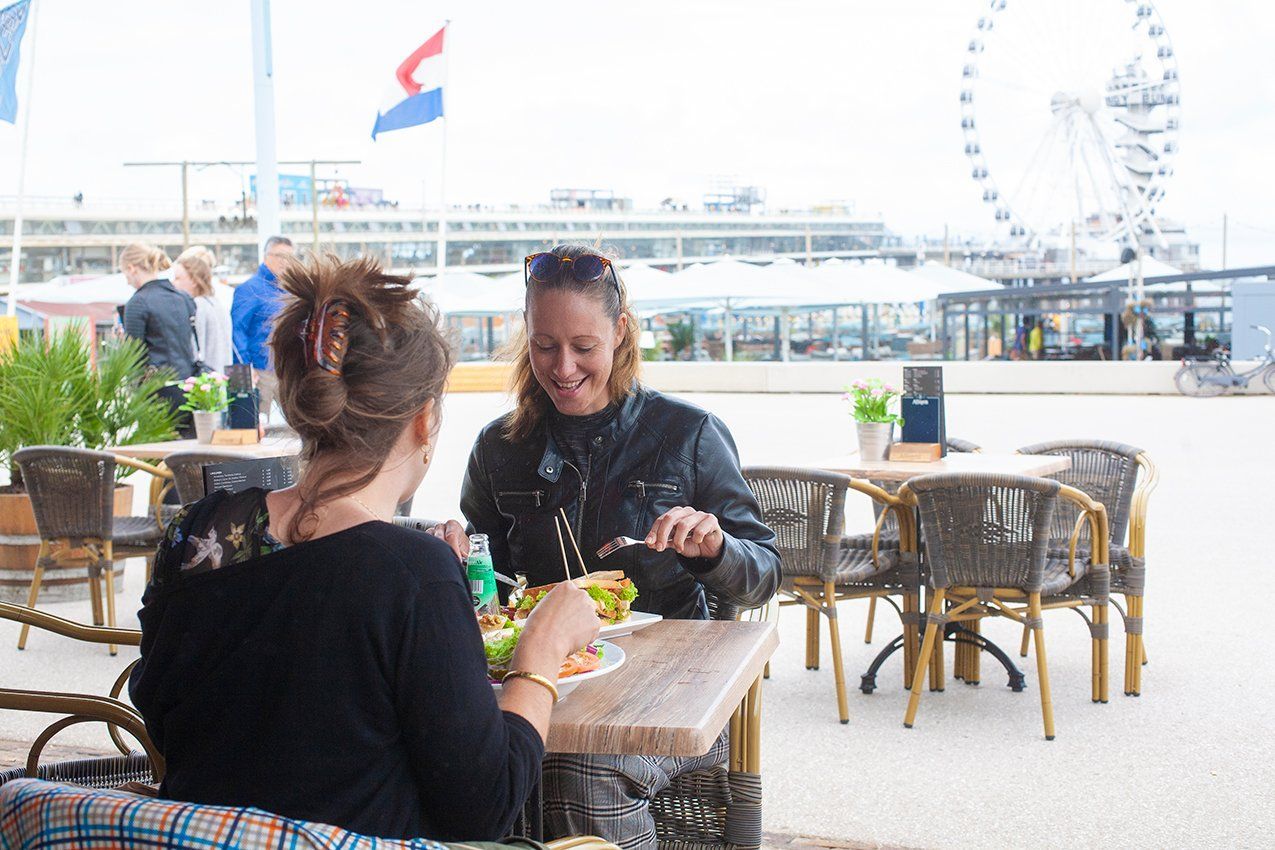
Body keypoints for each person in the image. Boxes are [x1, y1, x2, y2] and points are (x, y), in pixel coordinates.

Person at [130, 256, 601, 841]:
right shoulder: (414, 577)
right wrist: (540, 654)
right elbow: (486, 805)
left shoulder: (196, 533)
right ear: (424, 421)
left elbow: (160, 700)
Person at [459, 244, 780, 850]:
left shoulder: (688, 435)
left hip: (671, 697)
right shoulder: (498, 448)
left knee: (578, 776)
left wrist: (713, 549)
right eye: (544, 345)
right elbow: (485, 588)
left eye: (584, 347)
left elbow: (764, 574)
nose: (562, 368)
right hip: (544, 684)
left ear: (621, 332)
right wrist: (454, 563)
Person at [120, 242, 197, 438]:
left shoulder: (137, 303)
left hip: (156, 392)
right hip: (189, 387)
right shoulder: (183, 298)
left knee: (158, 459)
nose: (127, 280)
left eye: (125, 273)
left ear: (132, 268)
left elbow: (134, 356)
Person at [231, 235, 295, 423]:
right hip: (256, 371)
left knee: (296, 426)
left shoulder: (287, 291)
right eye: (281, 256)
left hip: (283, 370)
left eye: (291, 258)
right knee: (249, 425)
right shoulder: (249, 289)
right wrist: (244, 369)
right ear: (267, 256)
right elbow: (236, 330)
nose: (286, 263)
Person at [173, 249, 232, 373]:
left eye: (178, 278)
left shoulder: (196, 306)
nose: (173, 283)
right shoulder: (216, 303)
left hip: (203, 382)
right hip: (220, 377)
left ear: (194, 281)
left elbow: (194, 349)